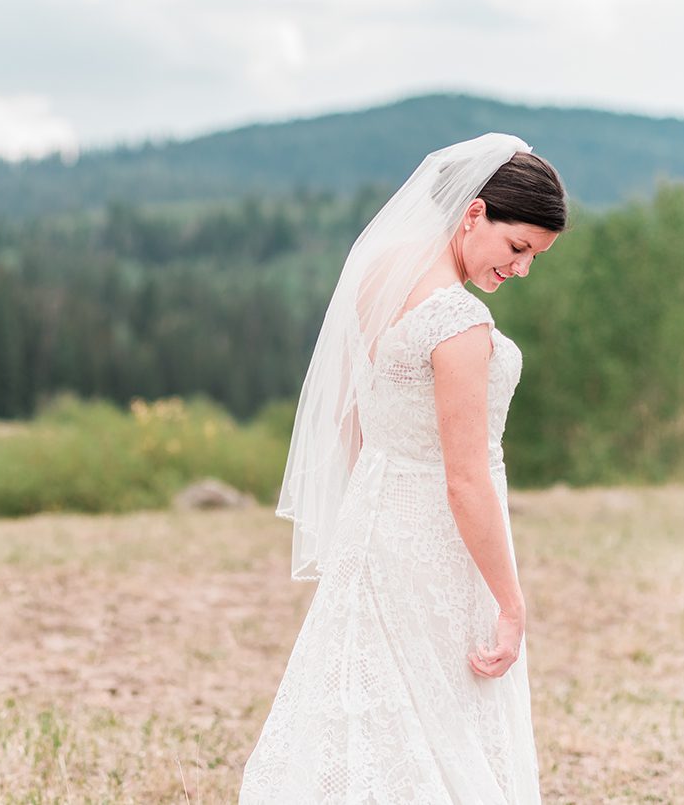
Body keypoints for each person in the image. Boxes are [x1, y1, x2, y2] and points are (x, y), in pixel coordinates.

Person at [239, 132, 567, 804]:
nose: (523, 268)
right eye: (518, 247)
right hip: (443, 538)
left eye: (535, 256)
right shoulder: (458, 323)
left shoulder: (381, 271)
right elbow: (465, 476)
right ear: (474, 213)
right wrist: (510, 601)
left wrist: (368, 515)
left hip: (378, 517)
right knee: (443, 713)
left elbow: (356, 410)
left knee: (371, 703)